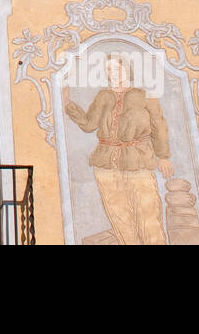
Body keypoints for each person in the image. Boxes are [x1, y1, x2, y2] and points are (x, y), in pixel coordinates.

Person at [62, 53, 173, 245]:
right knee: (120, 219)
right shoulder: (104, 96)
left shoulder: (144, 95)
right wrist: (68, 104)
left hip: (138, 162)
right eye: (109, 69)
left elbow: (158, 126)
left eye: (117, 68)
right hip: (105, 165)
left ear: (127, 69)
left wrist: (163, 156)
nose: (114, 73)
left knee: (149, 218)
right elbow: (89, 124)